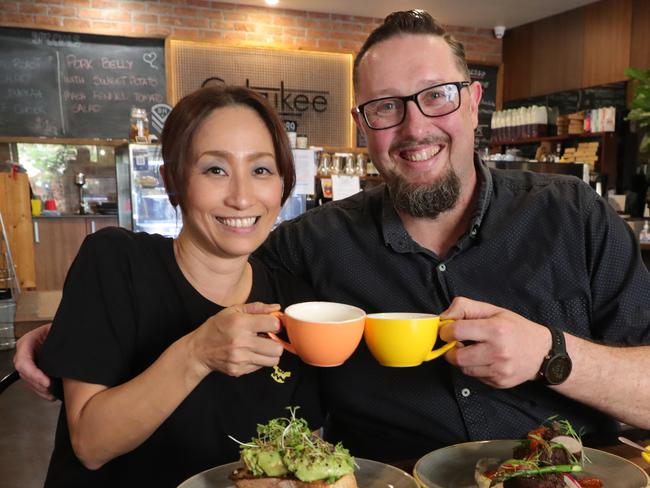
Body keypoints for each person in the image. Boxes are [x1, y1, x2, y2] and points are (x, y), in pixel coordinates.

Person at [16, 9, 650, 464]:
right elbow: (205, 266)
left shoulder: (573, 216)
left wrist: (551, 353)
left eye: (437, 97)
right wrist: (72, 339)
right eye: (385, 107)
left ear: (474, 100)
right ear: (362, 125)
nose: (413, 125)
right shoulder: (308, 248)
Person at [23, 85, 322, 487]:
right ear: (173, 181)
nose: (241, 196)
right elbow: (90, 445)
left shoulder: (294, 304)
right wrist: (198, 352)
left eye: (261, 170)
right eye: (215, 169)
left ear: (283, 184)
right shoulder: (115, 262)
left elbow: (299, 450)